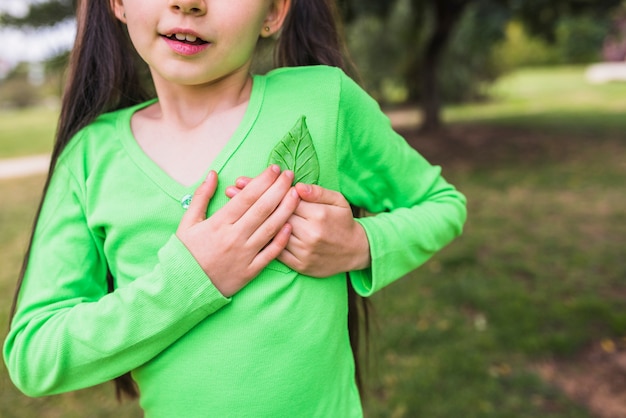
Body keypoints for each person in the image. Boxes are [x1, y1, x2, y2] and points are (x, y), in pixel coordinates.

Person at [3, 0, 467, 416]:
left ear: (273, 12)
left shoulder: (325, 101)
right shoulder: (89, 158)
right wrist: (188, 283)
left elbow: (443, 205)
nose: (188, 4)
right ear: (118, 3)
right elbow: (35, 354)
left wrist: (360, 245)